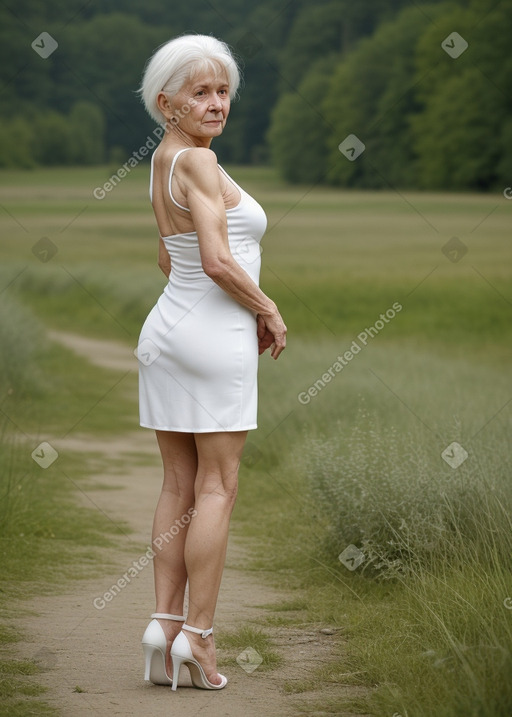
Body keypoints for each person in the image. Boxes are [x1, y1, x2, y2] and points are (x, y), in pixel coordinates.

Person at [136, 34, 287, 691]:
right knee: (216, 488)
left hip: (169, 329)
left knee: (178, 484)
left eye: (223, 90)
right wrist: (267, 308)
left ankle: (163, 627)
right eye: (200, 92)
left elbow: (171, 259)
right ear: (166, 102)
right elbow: (219, 261)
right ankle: (198, 637)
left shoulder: (164, 159)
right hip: (212, 335)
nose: (217, 102)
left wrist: (219, 296)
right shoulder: (199, 162)